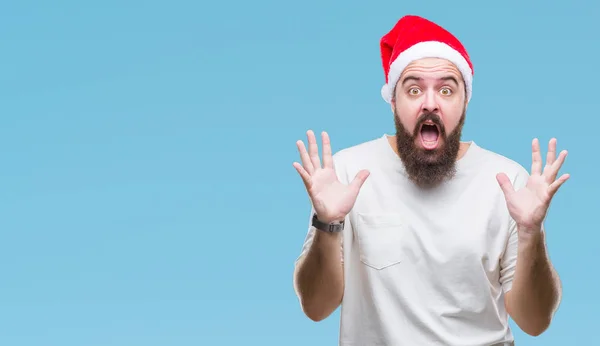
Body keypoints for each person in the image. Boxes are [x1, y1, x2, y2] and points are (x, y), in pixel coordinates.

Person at [291, 15, 569, 346]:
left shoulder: (508, 182)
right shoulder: (347, 174)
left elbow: (535, 322)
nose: (430, 103)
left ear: (465, 101)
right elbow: (316, 307)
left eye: (447, 89)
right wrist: (327, 222)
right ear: (393, 101)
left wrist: (530, 234)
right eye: (413, 89)